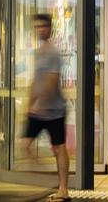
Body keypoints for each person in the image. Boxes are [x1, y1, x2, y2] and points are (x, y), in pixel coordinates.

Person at [22, 14, 70, 202]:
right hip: (38, 109)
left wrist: (40, 104)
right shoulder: (38, 52)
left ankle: (63, 189)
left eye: (43, 26)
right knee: (24, 146)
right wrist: (29, 105)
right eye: (37, 27)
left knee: (59, 148)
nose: (40, 29)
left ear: (50, 28)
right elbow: (36, 81)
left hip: (54, 110)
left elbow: (51, 81)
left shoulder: (53, 53)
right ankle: (47, 178)